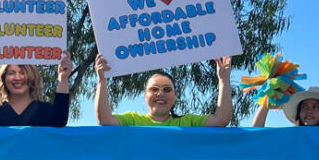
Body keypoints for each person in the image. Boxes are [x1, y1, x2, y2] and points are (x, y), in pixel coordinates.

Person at [94, 55, 234, 126]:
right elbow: (104, 120)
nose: (160, 94)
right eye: (154, 89)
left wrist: (223, 79)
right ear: (145, 95)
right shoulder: (133, 120)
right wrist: (102, 80)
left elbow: (221, 120)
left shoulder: (187, 122)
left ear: (175, 95)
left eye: (167, 89)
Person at [0, 53, 72, 127]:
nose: (17, 78)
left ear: (32, 77)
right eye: (11, 73)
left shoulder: (44, 110)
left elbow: (59, 121)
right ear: (4, 79)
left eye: (23, 72)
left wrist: (63, 79)